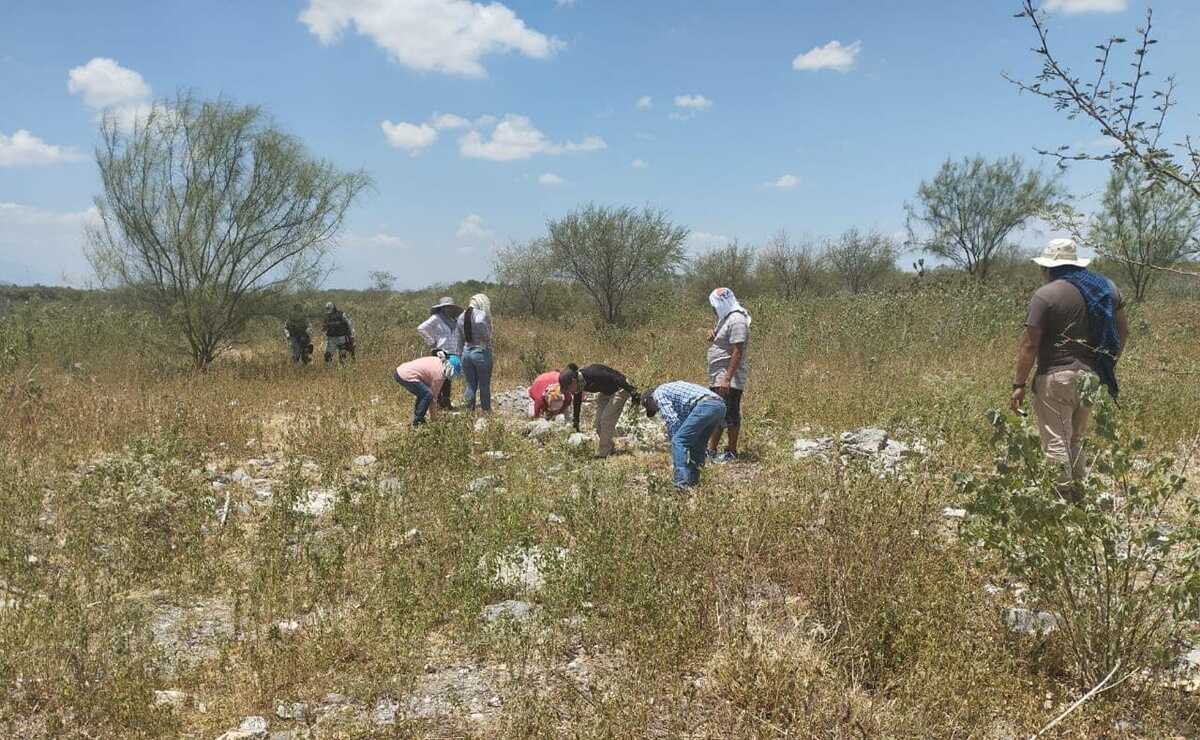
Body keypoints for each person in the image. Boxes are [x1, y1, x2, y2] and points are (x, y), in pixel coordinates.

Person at [1009, 238, 1129, 492]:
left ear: (1049, 268)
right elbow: (1122, 331)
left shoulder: (1046, 295)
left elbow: (1029, 345)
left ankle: (1062, 503)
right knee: (1076, 439)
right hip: (1091, 377)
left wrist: (1018, 384)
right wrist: (1107, 363)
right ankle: (1080, 498)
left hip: (1056, 377)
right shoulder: (1107, 288)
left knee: (1056, 442)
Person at [641, 382, 727, 489]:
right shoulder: (673, 394)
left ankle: (681, 483)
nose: (657, 410)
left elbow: (672, 420)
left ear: (649, 399)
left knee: (678, 441)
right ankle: (694, 481)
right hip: (719, 406)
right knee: (698, 445)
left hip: (706, 405)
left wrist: (675, 442)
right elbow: (683, 423)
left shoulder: (658, 393)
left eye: (653, 408)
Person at [705, 287, 751, 463]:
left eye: (715, 305)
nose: (713, 309)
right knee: (716, 412)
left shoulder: (737, 320)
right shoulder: (725, 318)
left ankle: (731, 451)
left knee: (730, 414)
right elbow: (724, 341)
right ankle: (712, 450)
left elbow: (737, 351)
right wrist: (714, 336)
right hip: (719, 375)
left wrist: (727, 378)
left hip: (728, 378)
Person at [559, 363, 640, 458]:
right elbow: (577, 402)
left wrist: (633, 392)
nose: (569, 391)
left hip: (620, 389)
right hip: (606, 392)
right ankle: (610, 447)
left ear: (573, 381)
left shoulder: (593, 373)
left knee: (606, 420)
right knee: (597, 424)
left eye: (568, 388)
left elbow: (617, 377)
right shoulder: (579, 384)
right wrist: (576, 421)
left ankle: (604, 454)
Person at [417, 296, 463, 410]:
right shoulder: (436, 318)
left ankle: (445, 403)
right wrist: (432, 342)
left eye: (450, 307)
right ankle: (437, 404)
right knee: (439, 378)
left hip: (453, 352)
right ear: (442, 308)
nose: (448, 309)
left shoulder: (455, 320)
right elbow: (421, 328)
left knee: (448, 379)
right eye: (446, 307)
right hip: (440, 351)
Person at [394, 354, 461, 427]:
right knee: (427, 394)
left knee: (423, 393)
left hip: (401, 371)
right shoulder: (439, 374)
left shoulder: (438, 361)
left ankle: (417, 419)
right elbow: (433, 399)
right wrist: (434, 420)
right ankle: (417, 423)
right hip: (405, 375)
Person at [457, 293, 494, 413]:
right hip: (480, 352)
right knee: (484, 384)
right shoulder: (480, 314)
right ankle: (486, 411)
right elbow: (483, 329)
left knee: (470, 385)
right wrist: (487, 337)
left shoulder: (461, 316)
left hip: (466, 353)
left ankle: (468, 412)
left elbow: (460, 339)